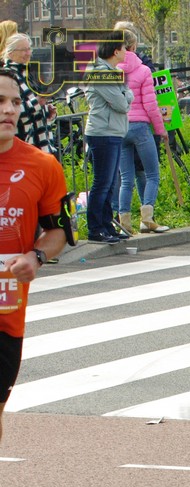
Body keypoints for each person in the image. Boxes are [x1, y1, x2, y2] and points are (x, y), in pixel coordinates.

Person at [0, 67, 71, 445]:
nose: (9, 110)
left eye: (14, 102)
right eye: (0, 101)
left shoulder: (42, 166)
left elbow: (58, 232)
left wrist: (36, 256)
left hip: (6, 315)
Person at [116, 27, 168, 235]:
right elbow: (151, 105)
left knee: (126, 178)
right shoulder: (144, 70)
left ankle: (124, 223)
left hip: (120, 127)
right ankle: (147, 218)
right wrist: (161, 130)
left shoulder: (112, 71)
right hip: (140, 127)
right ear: (133, 46)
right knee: (152, 174)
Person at [84, 35, 133, 244]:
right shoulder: (101, 73)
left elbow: (125, 95)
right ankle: (95, 228)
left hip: (113, 130)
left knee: (110, 183)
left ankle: (107, 225)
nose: (126, 51)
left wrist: (125, 95)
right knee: (102, 183)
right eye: (124, 48)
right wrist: (126, 95)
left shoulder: (112, 72)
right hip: (102, 132)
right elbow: (121, 103)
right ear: (115, 51)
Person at [1, 34, 53, 155]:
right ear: (11, 53)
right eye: (24, 50)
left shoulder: (27, 74)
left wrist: (48, 112)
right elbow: (9, 112)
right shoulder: (7, 77)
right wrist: (37, 103)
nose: (28, 53)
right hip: (23, 148)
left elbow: (34, 111)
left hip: (41, 148)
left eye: (29, 49)